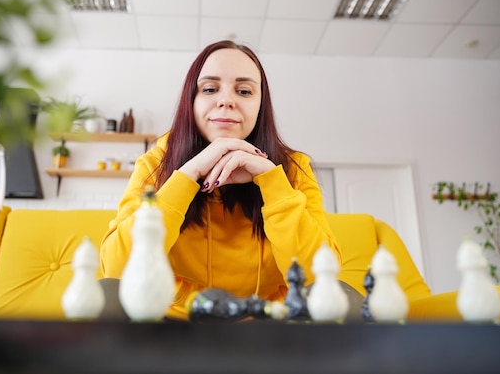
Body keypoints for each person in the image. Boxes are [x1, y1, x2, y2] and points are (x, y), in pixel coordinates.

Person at [100, 40, 356, 321]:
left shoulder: (294, 168)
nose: (226, 100)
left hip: (270, 326)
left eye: (244, 91)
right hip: (175, 324)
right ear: (192, 100)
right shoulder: (154, 164)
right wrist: (188, 175)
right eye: (210, 89)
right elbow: (116, 271)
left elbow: (318, 277)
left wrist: (270, 179)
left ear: (261, 105)